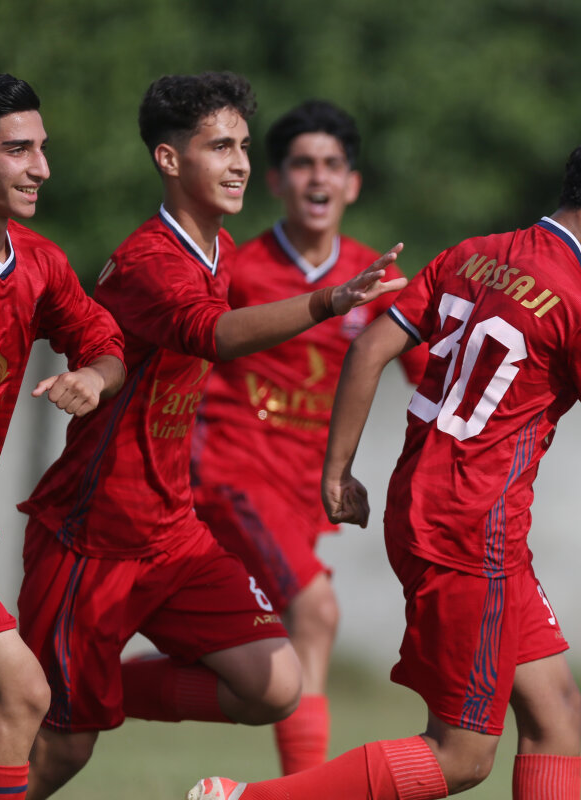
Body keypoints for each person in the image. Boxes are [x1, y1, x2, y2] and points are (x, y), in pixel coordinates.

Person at [186, 117, 581, 800]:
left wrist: (338, 473)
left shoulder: (472, 254)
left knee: (556, 713)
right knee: (461, 756)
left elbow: (369, 347)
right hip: (470, 536)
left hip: (434, 514)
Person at [15, 72, 408, 799]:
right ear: (169, 160)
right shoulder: (149, 261)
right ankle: (75, 704)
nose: (240, 164)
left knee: (275, 683)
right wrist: (328, 301)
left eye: (244, 147)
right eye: (220, 147)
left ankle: (97, 692)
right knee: (62, 751)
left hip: (173, 532)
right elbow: (213, 335)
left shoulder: (219, 249)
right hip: (93, 537)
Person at [190, 99, 426, 775]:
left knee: (268, 658)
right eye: (301, 164)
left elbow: (430, 380)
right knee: (315, 612)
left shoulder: (375, 278)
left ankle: (97, 688)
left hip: (305, 492)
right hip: (230, 475)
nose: (317, 177)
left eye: (331, 164)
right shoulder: (237, 267)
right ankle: (306, 791)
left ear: (352, 183)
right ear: (276, 180)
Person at [0, 73, 126, 800]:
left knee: (21, 698)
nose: (40, 167)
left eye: (42, 149)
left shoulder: (37, 264)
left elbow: (104, 340)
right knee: (22, 692)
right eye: (18, 150)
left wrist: (95, 379)